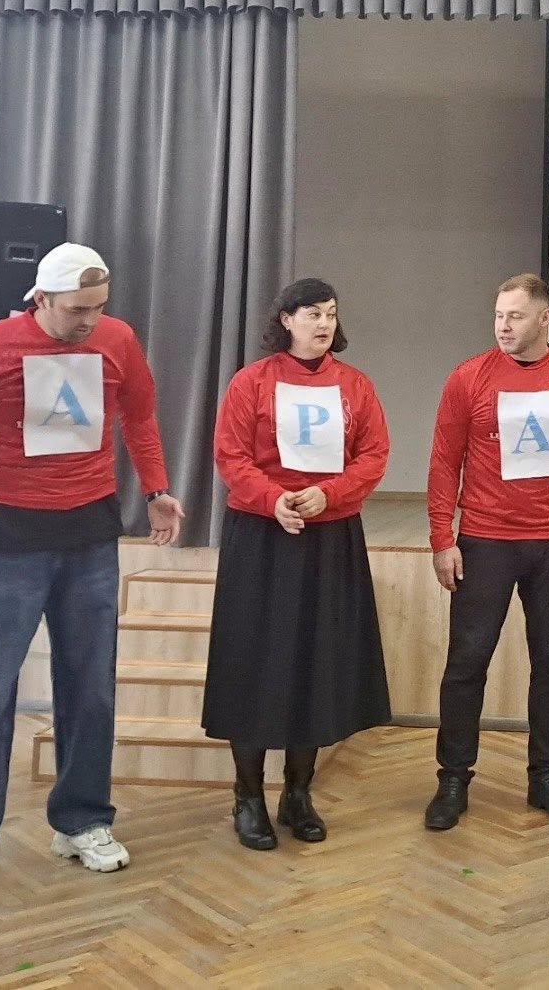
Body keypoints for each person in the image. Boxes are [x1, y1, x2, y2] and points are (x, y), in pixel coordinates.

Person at [0, 243, 182, 902]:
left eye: (99, 308)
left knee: (91, 689)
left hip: (90, 535)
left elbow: (140, 414)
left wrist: (156, 488)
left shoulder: (117, 340)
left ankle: (82, 820)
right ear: (41, 298)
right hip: (7, 539)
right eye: (77, 309)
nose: (90, 321)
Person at [201, 278, 391, 852]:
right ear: (285, 319)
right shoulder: (251, 382)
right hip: (262, 538)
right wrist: (273, 500)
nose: (324, 323)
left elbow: (374, 455)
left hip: (329, 538)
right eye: (312, 313)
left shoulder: (355, 385)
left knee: (317, 662)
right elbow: (231, 454)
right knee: (254, 663)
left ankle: (298, 794)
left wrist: (328, 495)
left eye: (331, 313)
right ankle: (247, 796)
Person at [423, 274, 549, 831]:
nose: (503, 327)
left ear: (545, 319)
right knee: (467, 662)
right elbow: (444, 462)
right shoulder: (468, 378)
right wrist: (442, 538)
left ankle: (546, 777)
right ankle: (453, 779)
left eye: (515, 316)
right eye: (498, 316)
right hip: (485, 541)